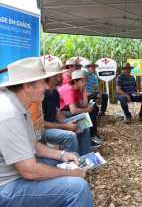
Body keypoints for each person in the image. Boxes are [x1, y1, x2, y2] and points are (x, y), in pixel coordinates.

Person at [0, 57, 94, 206]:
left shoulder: (19, 106)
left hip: (17, 173)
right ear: (27, 86)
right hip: (7, 187)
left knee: (72, 158)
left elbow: (34, 145)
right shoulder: (9, 113)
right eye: (42, 82)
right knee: (78, 188)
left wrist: (62, 154)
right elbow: (29, 171)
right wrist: (71, 174)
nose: (46, 86)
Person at [43, 62, 96, 153]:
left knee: (83, 125)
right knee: (70, 136)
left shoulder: (55, 92)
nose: (63, 77)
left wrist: (71, 125)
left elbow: (58, 115)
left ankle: (84, 158)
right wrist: (65, 126)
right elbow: (40, 123)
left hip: (53, 123)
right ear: (52, 77)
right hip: (43, 129)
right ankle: (71, 164)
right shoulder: (42, 95)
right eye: (60, 75)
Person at [58, 70, 104, 145]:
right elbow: (73, 110)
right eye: (82, 81)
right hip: (60, 113)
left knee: (89, 113)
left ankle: (87, 140)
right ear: (75, 81)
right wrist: (87, 109)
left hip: (66, 110)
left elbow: (83, 104)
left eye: (85, 81)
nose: (85, 83)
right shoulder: (69, 89)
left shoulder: (77, 89)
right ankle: (86, 141)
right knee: (83, 119)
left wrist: (84, 90)